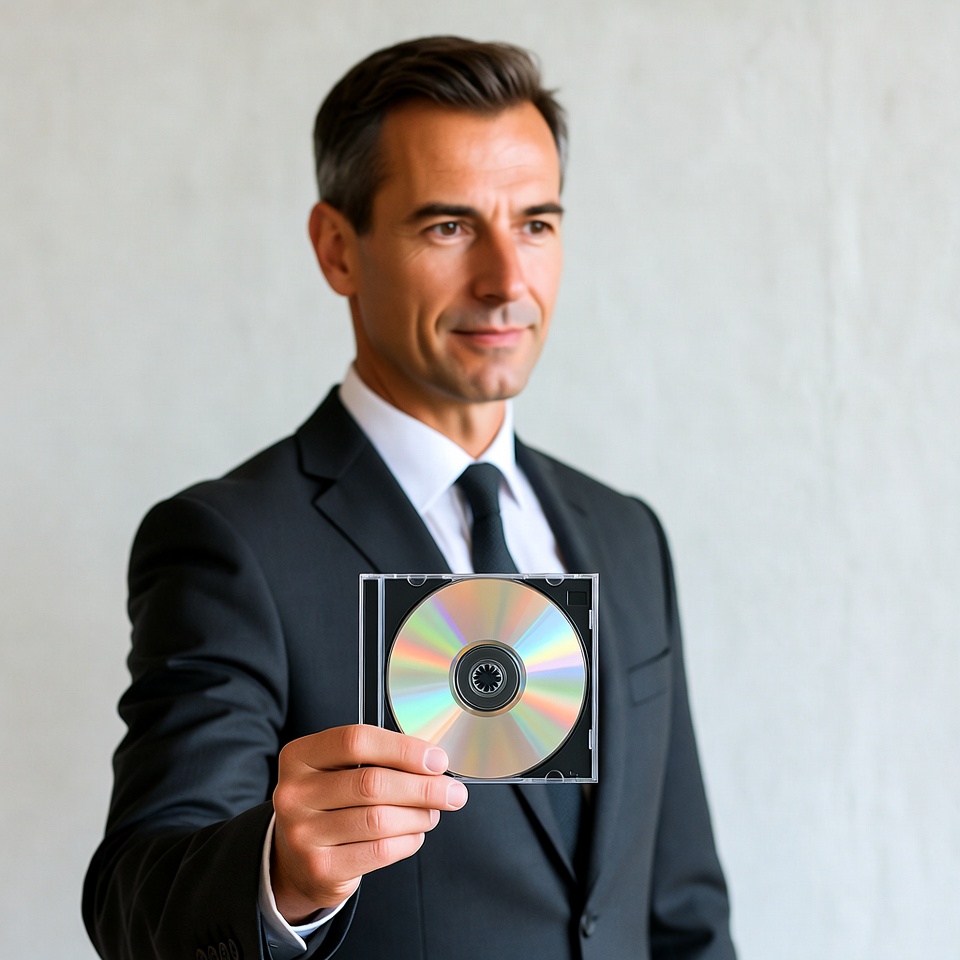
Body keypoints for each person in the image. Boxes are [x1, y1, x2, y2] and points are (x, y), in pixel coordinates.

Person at [83, 36, 736, 960]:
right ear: (337, 250)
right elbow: (134, 899)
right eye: (449, 227)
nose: (506, 282)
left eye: (536, 224)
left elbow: (683, 909)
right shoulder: (233, 545)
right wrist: (279, 875)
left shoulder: (627, 535)